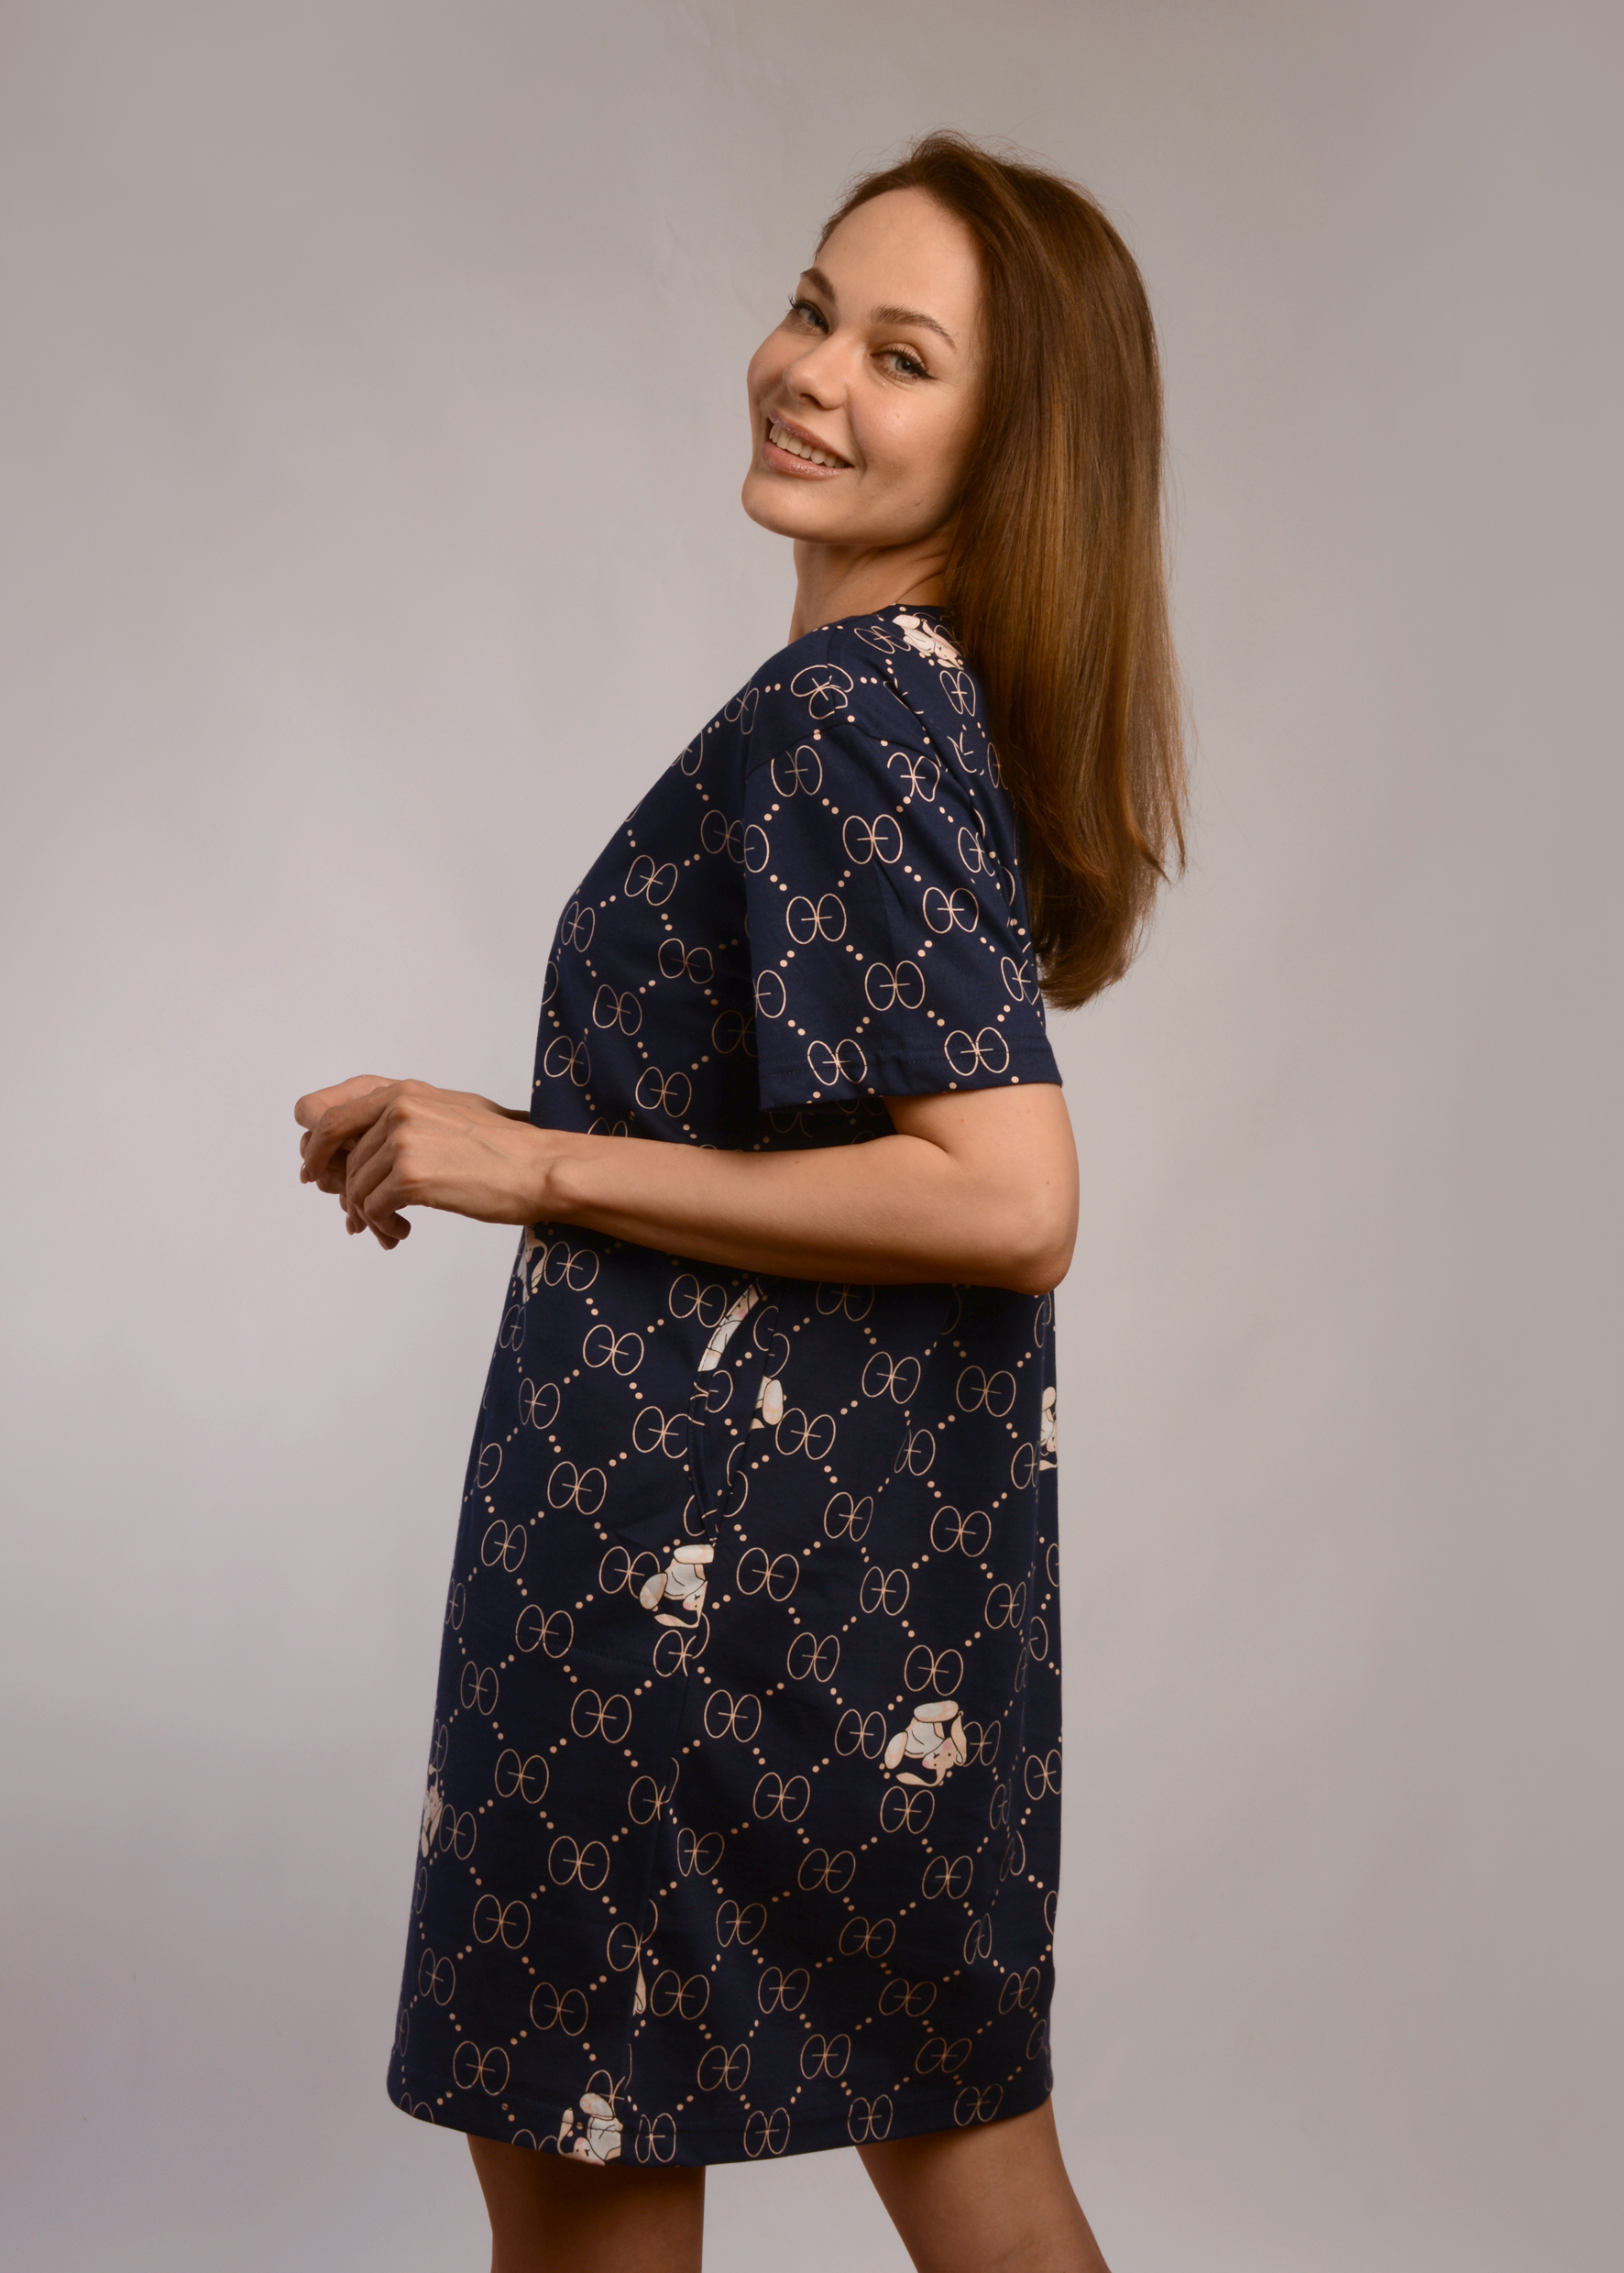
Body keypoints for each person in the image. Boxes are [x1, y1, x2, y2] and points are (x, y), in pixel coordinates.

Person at [296, 129, 1183, 2273]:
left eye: (901, 356)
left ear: (1012, 445)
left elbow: (1007, 1198)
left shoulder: (848, 709)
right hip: (861, 1604)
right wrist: (516, 1132)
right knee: (973, 2164)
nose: (810, 373)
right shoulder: (912, 702)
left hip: (670, 1613)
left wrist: (534, 1161)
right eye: (810, 310)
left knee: (599, 2213)